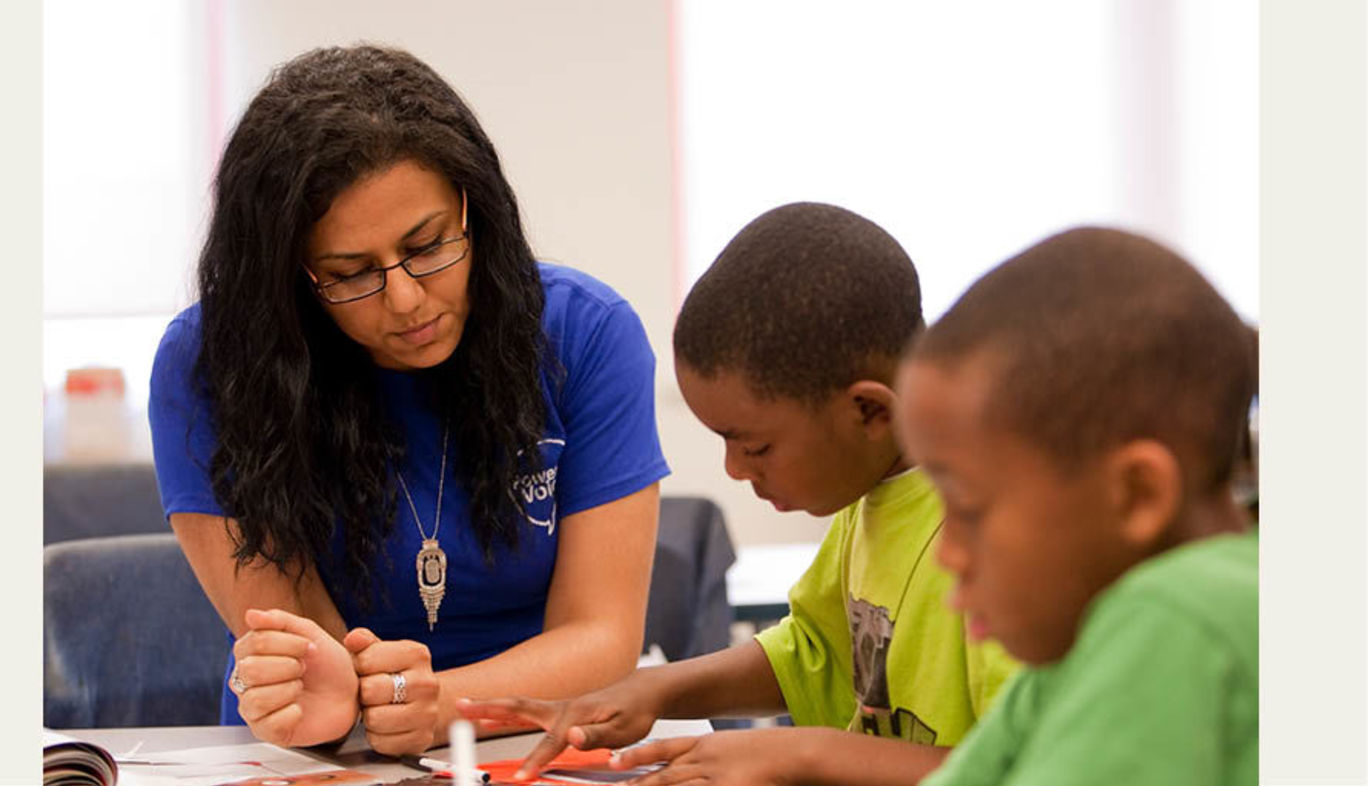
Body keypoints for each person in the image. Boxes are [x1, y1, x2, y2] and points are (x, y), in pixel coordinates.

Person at [147, 44, 669, 755]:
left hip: (522, 736)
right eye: (350, 273)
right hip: (315, 747)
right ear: (290, 277)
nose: (406, 299)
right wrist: (354, 710)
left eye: (426, 247)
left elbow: (601, 636)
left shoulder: (586, 334)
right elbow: (307, 662)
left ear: (470, 207)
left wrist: (442, 705)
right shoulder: (213, 365)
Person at [460, 202, 1019, 785]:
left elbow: (1031, 765)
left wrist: (802, 755)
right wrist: (653, 690)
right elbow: (812, 653)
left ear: (869, 410)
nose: (733, 470)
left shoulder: (1008, 535)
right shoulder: (875, 488)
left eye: (754, 447)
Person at [897, 227, 1258, 784]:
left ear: (1137, 495)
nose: (947, 555)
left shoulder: (1180, 615)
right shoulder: (1073, 651)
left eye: (967, 510)